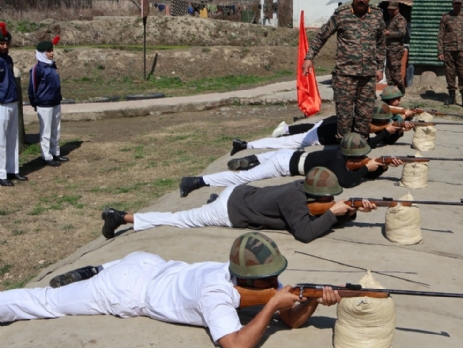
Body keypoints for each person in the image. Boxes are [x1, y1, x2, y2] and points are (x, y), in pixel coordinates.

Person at [0, 231, 342, 348]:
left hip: (150, 263)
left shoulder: (256, 276)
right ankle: (97, 273)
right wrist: (271, 308)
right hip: (125, 287)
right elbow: (236, 345)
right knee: (45, 301)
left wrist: (312, 302)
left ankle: (97, 268)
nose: (274, 284)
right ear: (245, 278)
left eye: (274, 278)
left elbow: (292, 320)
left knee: (119, 266)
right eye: (268, 280)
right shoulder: (215, 293)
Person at [102, 167, 376, 244]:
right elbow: (305, 233)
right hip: (229, 211)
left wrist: (348, 211)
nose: (330, 202)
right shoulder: (295, 199)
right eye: (327, 199)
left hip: (241, 194)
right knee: (179, 218)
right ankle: (121, 217)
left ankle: (211, 200)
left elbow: (321, 214)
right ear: (315, 196)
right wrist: (333, 213)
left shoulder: (301, 190)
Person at [179, 133, 402, 197]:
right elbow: (347, 182)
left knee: (261, 161)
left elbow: (361, 171)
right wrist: (367, 167)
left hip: (291, 155)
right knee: (242, 179)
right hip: (284, 164)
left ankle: (252, 159)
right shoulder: (336, 161)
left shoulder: (339, 156)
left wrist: (382, 165)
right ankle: (197, 181)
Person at [301, 0, 386, 140]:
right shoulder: (341, 15)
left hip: (367, 77)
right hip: (344, 76)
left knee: (364, 118)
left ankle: (360, 153)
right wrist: (309, 57)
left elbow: (381, 43)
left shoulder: (377, 16)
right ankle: (343, 154)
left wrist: (380, 67)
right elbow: (322, 36)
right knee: (344, 119)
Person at [230, 102, 413, 155]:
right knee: (286, 143)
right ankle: (247, 146)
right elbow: (369, 144)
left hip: (327, 122)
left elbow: (385, 111)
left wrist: (401, 120)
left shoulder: (363, 112)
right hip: (320, 135)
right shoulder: (362, 129)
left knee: (303, 128)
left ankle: (284, 129)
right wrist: (386, 132)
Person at [28, 36, 68, 167]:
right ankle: (46, 155)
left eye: (52, 50)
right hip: (44, 104)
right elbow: (32, 87)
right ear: (42, 53)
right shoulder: (37, 69)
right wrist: (35, 102)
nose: (52, 53)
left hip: (55, 101)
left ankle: (55, 152)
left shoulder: (52, 66)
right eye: (48, 51)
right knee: (46, 131)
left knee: (56, 128)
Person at [0, 22, 27, 186]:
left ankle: (12, 169)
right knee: (1, 140)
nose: (4, 46)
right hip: (1, 103)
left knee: (12, 137)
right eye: (1, 43)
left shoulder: (8, 59)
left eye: (7, 43)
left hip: (12, 101)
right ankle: (1, 173)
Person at [437, 0, 463, 109]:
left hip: (462, 51)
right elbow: (441, 35)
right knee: (450, 74)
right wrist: (440, 51)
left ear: (462, 4)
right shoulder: (446, 17)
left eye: (459, 3)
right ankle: (451, 97)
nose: (457, 5)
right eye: (455, 3)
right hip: (448, 50)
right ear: (452, 3)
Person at [384, 2, 407, 94]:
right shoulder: (391, 19)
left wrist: (389, 34)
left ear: (397, 9)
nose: (390, 11)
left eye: (393, 10)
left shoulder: (400, 19)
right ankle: (391, 91)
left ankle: (401, 88)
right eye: (389, 9)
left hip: (396, 49)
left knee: (395, 70)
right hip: (389, 48)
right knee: (388, 70)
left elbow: (402, 33)